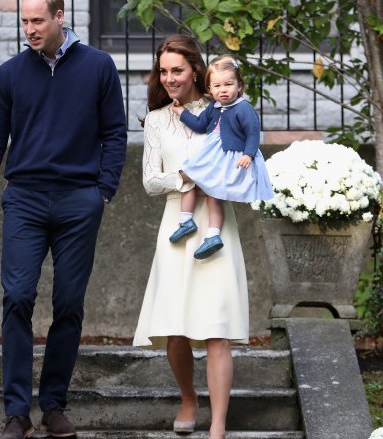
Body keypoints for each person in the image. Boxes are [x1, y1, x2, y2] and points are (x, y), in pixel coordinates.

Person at [0, 0, 127, 437]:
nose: (29, 29)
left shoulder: (98, 66)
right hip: (26, 200)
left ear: (59, 17)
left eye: (37, 20)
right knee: (17, 297)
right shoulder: (11, 73)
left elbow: (115, 132)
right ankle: (17, 412)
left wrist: (103, 192)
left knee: (69, 304)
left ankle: (53, 404)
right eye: (24, 21)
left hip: (79, 201)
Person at [133, 35, 249, 439]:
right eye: (163, 71)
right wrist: (183, 177)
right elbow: (149, 181)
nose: (169, 78)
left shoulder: (223, 109)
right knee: (175, 326)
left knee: (217, 326)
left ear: (196, 71)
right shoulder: (157, 120)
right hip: (176, 224)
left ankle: (218, 423)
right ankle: (188, 399)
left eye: (177, 70)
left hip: (217, 223)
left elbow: (241, 162)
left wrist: (221, 173)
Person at [169, 54, 273, 260]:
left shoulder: (243, 108)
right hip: (213, 156)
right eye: (216, 86)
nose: (222, 90)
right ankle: (186, 221)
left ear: (239, 86)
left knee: (211, 193)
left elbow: (253, 133)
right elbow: (199, 124)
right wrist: (181, 112)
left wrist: (248, 155)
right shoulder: (214, 107)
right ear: (210, 89)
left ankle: (212, 234)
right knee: (189, 178)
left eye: (228, 84)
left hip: (229, 157)